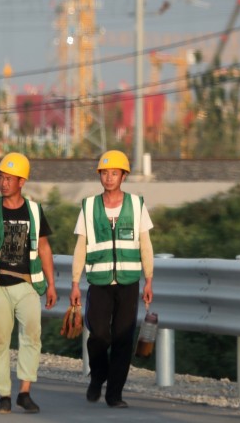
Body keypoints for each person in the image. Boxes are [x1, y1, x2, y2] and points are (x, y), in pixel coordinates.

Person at [0, 151, 58, 414]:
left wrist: (51, 284)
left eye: (9, 178)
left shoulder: (35, 211)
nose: (3, 183)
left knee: (32, 336)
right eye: (1, 177)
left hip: (28, 285)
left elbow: (44, 248)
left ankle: (24, 392)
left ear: (22, 181)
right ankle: (4, 395)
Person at [69, 150, 154, 409]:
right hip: (99, 282)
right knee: (99, 335)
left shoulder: (136, 205)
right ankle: (98, 377)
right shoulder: (89, 206)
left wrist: (149, 279)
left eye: (114, 173)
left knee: (122, 339)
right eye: (104, 173)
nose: (108, 177)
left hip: (129, 283)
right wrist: (75, 282)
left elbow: (145, 245)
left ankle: (114, 394)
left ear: (124, 176)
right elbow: (81, 246)